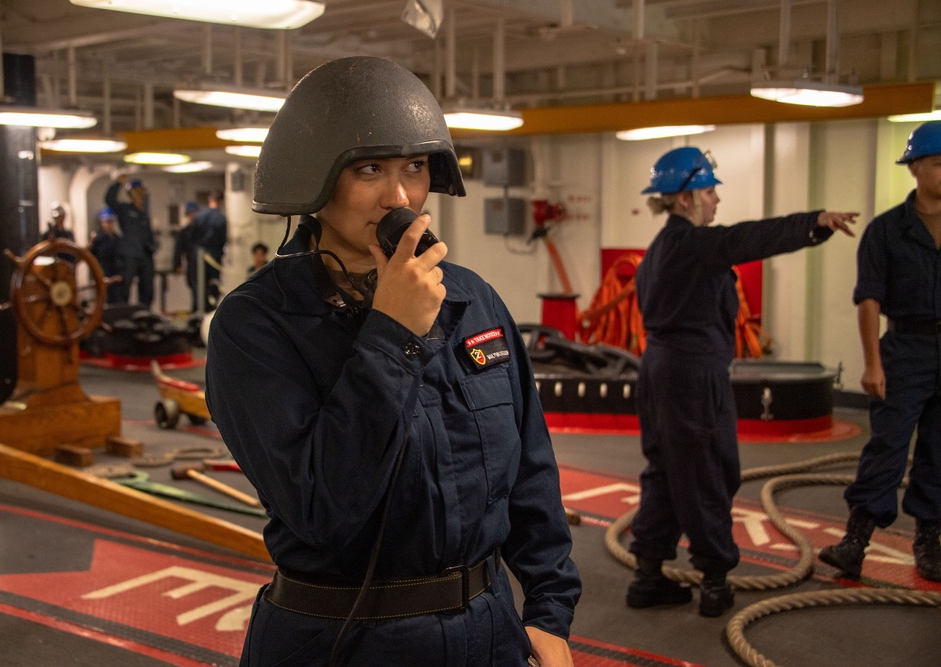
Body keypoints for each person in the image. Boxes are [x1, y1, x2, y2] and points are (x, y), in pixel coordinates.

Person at [205, 56, 580, 667]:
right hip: (340, 639)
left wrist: (548, 609)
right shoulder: (256, 325)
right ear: (315, 179)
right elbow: (320, 507)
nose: (399, 196)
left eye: (415, 167)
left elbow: (530, 467)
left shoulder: (471, 300)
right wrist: (393, 333)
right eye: (370, 169)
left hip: (487, 630)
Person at [627, 146, 857, 617]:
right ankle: (715, 581)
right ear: (687, 198)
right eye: (710, 191)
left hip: (659, 370)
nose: (717, 200)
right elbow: (750, 238)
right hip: (694, 375)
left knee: (666, 470)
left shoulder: (659, 250)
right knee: (708, 470)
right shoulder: (694, 244)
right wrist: (813, 222)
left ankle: (647, 577)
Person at [819, 120, 941, 583]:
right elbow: (869, 299)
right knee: (887, 446)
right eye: (939, 163)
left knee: (939, 450)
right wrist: (872, 363)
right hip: (905, 349)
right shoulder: (887, 230)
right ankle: (856, 541)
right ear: (915, 168)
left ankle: (929, 540)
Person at [105, 174, 157, 307]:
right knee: (124, 288)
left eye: (141, 191)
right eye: (137, 191)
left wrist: (153, 247)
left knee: (147, 289)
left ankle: (144, 313)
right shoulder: (124, 209)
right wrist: (118, 184)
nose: (140, 194)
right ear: (130, 194)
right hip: (129, 256)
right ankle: (123, 313)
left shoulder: (144, 213)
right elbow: (109, 200)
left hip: (145, 256)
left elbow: (148, 234)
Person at [188, 190, 227, 312]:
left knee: (198, 284)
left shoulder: (199, 215)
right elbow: (222, 239)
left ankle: (198, 309)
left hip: (198, 253)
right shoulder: (220, 218)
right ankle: (211, 310)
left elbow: (191, 235)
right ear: (221, 202)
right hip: (214, 254)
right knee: (213, 283)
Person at [88, 207, 124, 304]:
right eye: (106, 222)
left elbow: (120, 258)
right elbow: (92, 258)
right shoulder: (98, 239)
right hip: (102, 274)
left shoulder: (117, 239)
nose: (108, 225)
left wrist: (120, 274)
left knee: (116, 301)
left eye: (110, 222)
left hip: (115, 276)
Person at [173, 201, 200, 311]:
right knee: (195, 289)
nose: (192, 215)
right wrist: (177, 264)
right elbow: (178, 249)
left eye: (194, 212)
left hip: (204, 264)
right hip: (192, 264)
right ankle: (196, 309)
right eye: (190, 213)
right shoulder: (184, 232)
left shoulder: (203, 231)